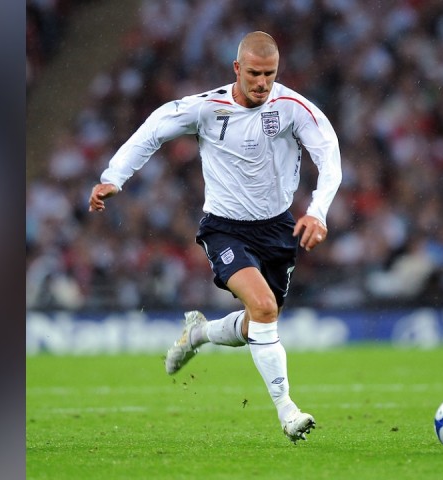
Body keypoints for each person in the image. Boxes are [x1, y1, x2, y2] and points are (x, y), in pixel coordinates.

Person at [88, 31, 342, 443]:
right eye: (255, 74)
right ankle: (287, 411)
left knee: (257, 322)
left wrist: (317, 211)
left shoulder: (293, 108)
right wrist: (113, 177)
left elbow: (328, 153)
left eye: (271, 74)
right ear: (237, 69)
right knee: (262, 307)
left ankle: (199, 334)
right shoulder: (207, 108)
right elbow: (154, 128)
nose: (263, 83)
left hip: (278, 229)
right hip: (225, 228)